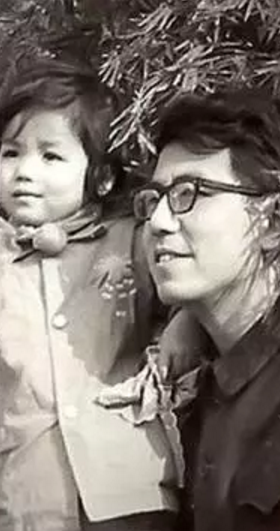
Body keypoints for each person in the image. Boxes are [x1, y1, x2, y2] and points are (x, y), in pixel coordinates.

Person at [0, 58, 181, 531]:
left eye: (50, 156)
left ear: (100, 177)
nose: (23, 171)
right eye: (11, 153)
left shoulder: (134, 243)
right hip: (21, 500)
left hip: (128, 491)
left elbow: (186, 301)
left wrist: (182, 332)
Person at [133, 89, 280, 531]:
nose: (157, 221)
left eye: (189, 192)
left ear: (271, 223)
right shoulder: (187, 390)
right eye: (154, 198)